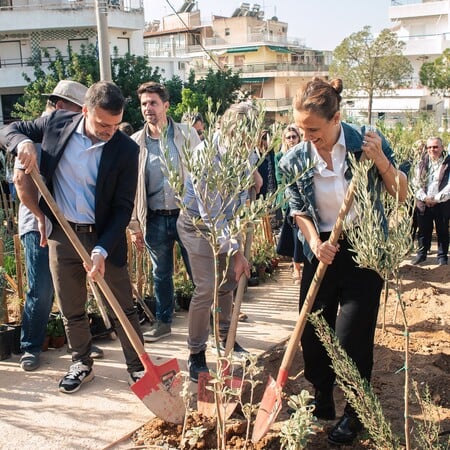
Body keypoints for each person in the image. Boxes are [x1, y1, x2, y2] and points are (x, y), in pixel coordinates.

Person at [278, 78, 407, 446]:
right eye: (302, 129)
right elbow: (298, 209)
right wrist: (315, 242)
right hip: (322, 249)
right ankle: (321, 397)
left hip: (362, 250)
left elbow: (400, 193)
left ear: (336, 118)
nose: (307, 137)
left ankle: (355, 411)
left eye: (314, 130)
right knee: (315, 335)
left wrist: (380, 159)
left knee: (352, 338)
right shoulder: (295, 159)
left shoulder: (364, 142)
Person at [2, 81, 145, 393]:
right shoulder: (56, 124)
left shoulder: (126, 150)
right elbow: (9, 129)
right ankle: (81, 362)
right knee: (71, 307)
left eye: (115, 124)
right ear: (84, 111)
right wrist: (23, 145)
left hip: (104, 237)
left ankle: (138, 367)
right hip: (63, 234)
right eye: (102, 124)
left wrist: (103, 249)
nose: (109, 131)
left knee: (123, 306)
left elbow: (123, 208)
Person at [13, 80, 103, 372]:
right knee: (42, 289)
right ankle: (30, 346)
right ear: (62, 107)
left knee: (72, 287)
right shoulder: (34, 138)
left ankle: (80, 344)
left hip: (67, 225)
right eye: (80, 111)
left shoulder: (69, 135)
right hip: (38, 224)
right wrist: (40, 215)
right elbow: (21, 184)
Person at [176, 102, 256, 382]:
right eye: (243, 136)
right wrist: (236, 253)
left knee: (227, 284)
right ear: (227, 129)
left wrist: (253, 184)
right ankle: (195, 353)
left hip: (227, 221)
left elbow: (246, 189)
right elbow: (211, 214)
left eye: (251, 138)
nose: (247, 143)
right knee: (207, 287)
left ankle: (224, 338)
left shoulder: (247, 152)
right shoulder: (205, 156)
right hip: (197, 224)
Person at [128, 82, 200, 342]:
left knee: (198, 270)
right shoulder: (136, 142)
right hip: (155, 217)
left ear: (166, 106)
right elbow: (132, 187)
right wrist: (134, 225)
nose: (148, 108)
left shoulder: (186, 135)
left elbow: (200, 174)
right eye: (144, 103)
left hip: (186, 215)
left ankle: (213, 319)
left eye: (153, 103)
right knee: (161, 273)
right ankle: (163, 321)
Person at [411, 136, 450, 265]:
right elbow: (415, 182)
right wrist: (424, 198)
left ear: (442, 147)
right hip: (424, 203)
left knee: (442, 230)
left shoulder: (448, 163)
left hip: (442, 203)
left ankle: (442, 257)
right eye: (429, 147)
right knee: (423, 230)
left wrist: (437, 199)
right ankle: (421, 255)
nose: (432, 150)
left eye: (435, 147)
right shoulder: (421, 162)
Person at [275, 124, 304, 284]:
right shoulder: (280, 156)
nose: (292, 139)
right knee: (295, 236)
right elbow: (281, 179)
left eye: (294, 136)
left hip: (306, 200)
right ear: (284, 139)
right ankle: (297, 269)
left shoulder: (304, 153)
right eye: (289, 137)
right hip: (290, 201)